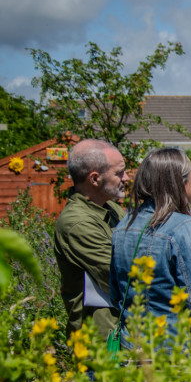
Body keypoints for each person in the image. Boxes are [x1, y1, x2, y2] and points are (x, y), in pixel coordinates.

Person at [110, 147, 191, 352]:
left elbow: (116, 294)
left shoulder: (123, 226)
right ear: (180, 183)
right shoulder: (185, 228)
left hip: (132, 349)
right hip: (174, 352)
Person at [54, 139, 128, 340]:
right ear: (95, 179)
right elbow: (121, 276)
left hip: (122, 330)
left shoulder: (112, 209)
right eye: (119, 173)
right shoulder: (76, 223)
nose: (126, 177)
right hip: (100, 341)